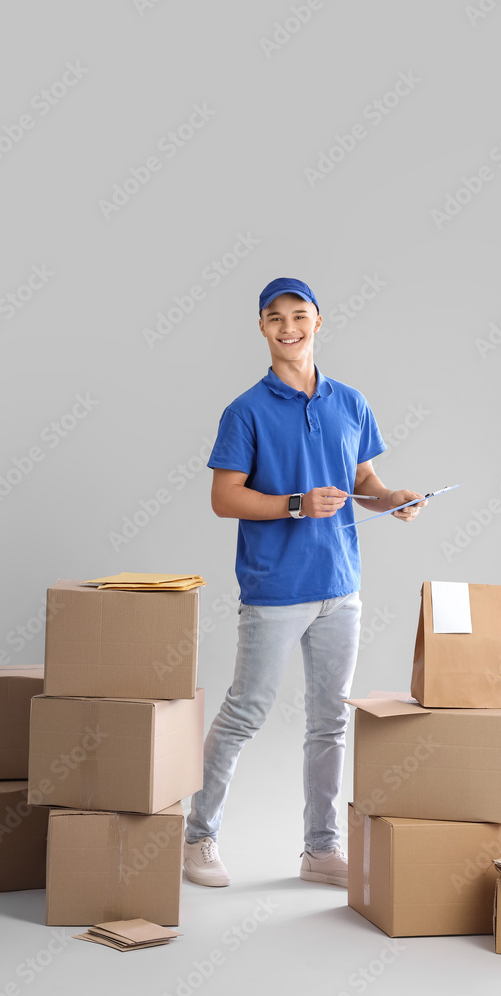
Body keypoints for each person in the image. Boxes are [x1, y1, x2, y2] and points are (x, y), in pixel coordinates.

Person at [184, 277, 427, 888]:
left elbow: (364, 483)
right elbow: (223, 498)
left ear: (319, 321)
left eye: (299, 315)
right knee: (245, 712)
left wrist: (392, 498)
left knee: (330, 721)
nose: (288, 327)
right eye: (274, 318)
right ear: (262, 329)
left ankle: (321, 850)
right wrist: (295, 504)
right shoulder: (245, 410)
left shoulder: (350, 401)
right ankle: (197, 838)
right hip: (274, 589)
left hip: (341, 587)